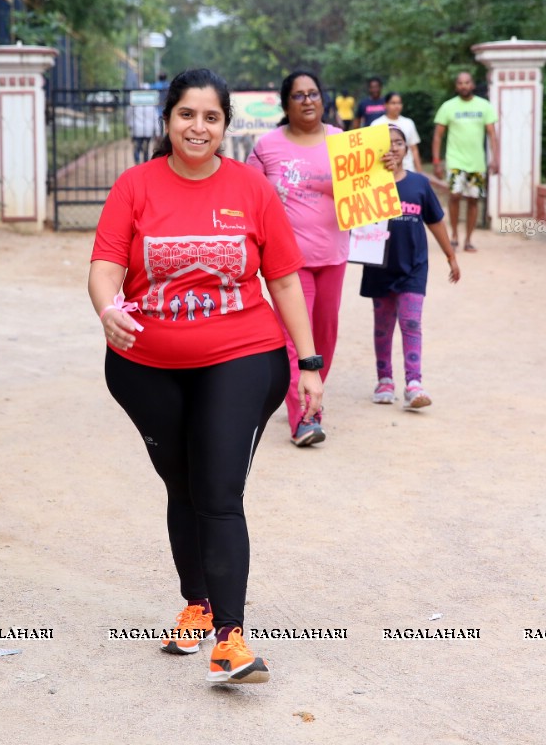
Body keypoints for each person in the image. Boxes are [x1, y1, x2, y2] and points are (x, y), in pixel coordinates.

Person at [89, 68, 324, 685]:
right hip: (146, 366)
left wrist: (308, 361)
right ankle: (196, 603)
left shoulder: (251, 190)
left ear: (225, 125)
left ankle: (230, 638)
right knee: (183, 485)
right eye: (187, 115)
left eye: (211, 117)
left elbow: (282, 280)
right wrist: (109, 311)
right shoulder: (135, 186)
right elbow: (106, 266)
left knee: (218, 492)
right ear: (168, 120)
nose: (199, 127)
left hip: (241, 354)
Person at [246, 70, 345, 447]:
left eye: (314, 94)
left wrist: (381, 168)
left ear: (323, 99)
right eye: (299, 95)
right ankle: (304, 418)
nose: (308, 101)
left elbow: (368, 190)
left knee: (324, 337)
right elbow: (250, 196)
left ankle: (312, 393)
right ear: (286, 104)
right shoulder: (267, 146)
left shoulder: (343, 142)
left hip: (333, 255)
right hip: (287, 263)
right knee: (294, 340)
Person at [362, 125, 460, 409]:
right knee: (383, 328)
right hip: (379, 266)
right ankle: (385, 380)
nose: (393, 147)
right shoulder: (367, 184)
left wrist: (450, 256)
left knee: (412, 323)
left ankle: (414, 383)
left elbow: (435, 221)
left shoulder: (419, 184)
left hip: (414, 268)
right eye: (387, 143)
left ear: (407, 149)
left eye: (399, 143)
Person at [431, 72, 498, 253]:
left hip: (477, 163)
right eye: (460, 83)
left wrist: (495, 159)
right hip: (455, 161)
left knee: (474, 200)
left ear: (473, 85)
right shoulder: (448, 107)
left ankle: (468, 239)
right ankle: (454, 235)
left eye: (467, 82)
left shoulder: (485, 106)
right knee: (454, 196)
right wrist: (437, 161)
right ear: (456, 86)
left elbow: (492, 135)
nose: (464, 86)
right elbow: (438, 136)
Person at [370, 92, 422, 172]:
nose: (397, 106)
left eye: (399, 103)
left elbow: (414, 149)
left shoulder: (409, 123)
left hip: (407, 168)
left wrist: (419, 170)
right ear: (385, 105)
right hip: (386, 170)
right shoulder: (376, 124)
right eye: (393, 103)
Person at [127, 93, 161, 164]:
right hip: (147, 131)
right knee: (146, 149)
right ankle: (145, 165)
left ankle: (137, 163)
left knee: (137, 148)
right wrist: (157, 132)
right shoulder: (151, 105)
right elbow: (155, 118)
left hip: (137, 130)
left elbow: (129, 115)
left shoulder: (134, 104)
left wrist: (130, 125)